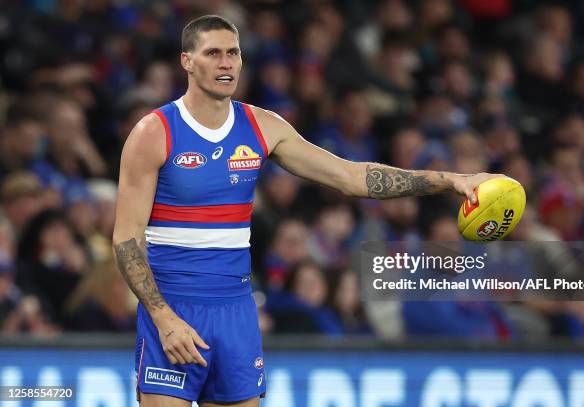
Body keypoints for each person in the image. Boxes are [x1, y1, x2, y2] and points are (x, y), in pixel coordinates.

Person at [112, 15, 502, 407]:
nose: (226, 63)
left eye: (233, 53)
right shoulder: (155, 132)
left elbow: (353, 177)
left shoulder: (264, 126)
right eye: (213, 53)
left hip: (237, 313)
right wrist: (163, 319)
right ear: (187, 62)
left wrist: (449, 179)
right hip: (174, 307)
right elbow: (126, 240)